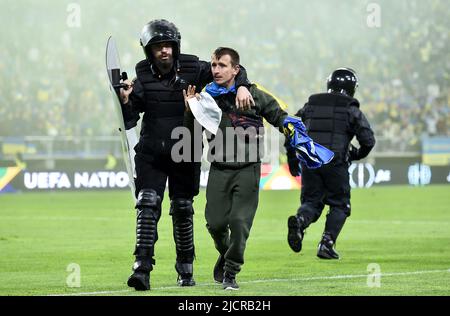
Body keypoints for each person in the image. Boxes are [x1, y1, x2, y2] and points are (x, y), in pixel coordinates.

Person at [119, 19, 253, 291]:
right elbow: (132, 116)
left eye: (168, 45)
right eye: (157, 47)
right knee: (147, 204)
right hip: (151, 150)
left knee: (182, 208)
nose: (164, 51)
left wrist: (243, 85)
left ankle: (185, 270)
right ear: (148, 51)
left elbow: (230, 72)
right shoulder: (141, 73)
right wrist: (125, 101)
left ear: (176, 46)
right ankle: (141, 269)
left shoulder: (195, 66)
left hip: (186, 149)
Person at [184, 47, 289, 290]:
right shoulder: (204, 98)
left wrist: (294, 134)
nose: (216, 70)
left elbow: (279, 116)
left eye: (222, 65)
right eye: (213, 65)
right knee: (215, 223)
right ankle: (226, 253)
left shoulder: (253, 94)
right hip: (218, 169)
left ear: (235, 70)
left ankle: (231, 272)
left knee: (239, 222)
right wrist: (189, 113)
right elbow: (190, 139)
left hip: (248, 169)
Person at [286, 68, 376, 260]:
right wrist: (355, 154)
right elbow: (368, 140)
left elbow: (290, 128)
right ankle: (326, 244)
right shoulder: (351, 108)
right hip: (335, 161)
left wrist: (293, 159)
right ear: (352, 87)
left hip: (310, 160)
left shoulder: (310, 106)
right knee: (340, 204)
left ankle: (300, 222)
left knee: (311, 202)